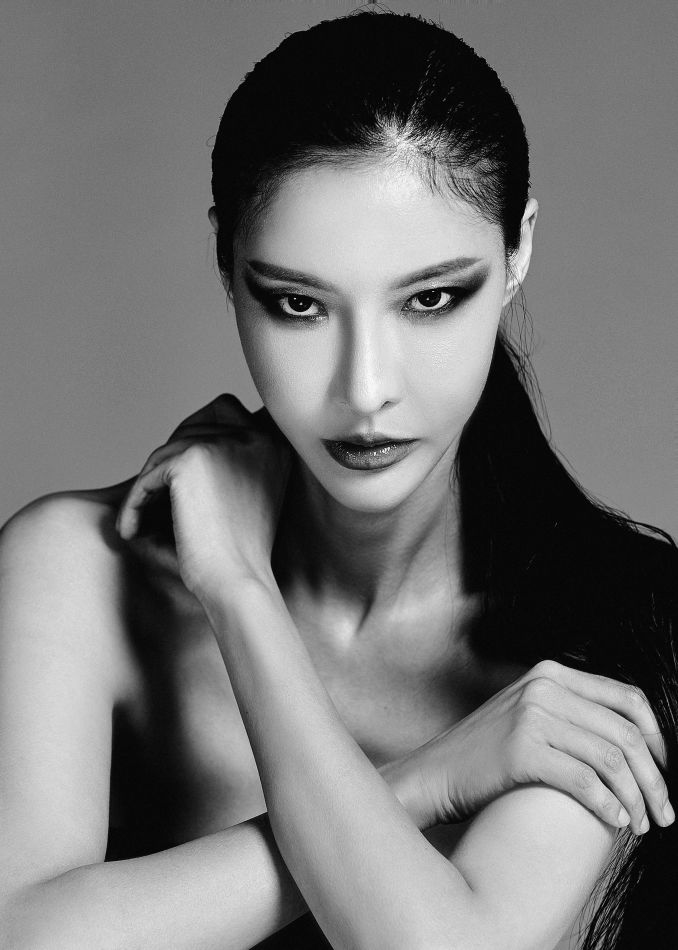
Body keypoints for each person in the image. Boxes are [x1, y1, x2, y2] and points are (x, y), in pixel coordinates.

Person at [0, 9, 675, 950]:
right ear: (226, 263)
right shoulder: (78, 568)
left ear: (517, 248)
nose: (364, 391)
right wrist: (429, 778)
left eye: (430, 299)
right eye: (299, 304)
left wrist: (240, 594)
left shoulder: (614, 635)